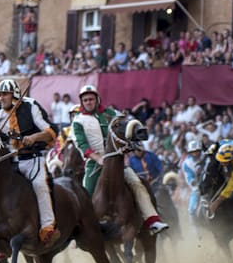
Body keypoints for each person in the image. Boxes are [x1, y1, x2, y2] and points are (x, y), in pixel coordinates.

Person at [70, 85, 169, 234]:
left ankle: (153, 220)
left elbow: (126, 128)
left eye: (91, 99)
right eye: (85, 100)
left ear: (97, 99)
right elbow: (81, 144)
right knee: (86, 192)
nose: (89, 102)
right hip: (94, 165)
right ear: (82, 102)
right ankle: (83, 231)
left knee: (137, 183)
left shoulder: (111, 113)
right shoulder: (78, 121)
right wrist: (97, 158)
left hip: (118, 161)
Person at [0, 79, 59, 243]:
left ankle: (47, 227)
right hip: (10, 161)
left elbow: (51, 131)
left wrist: (34, 137)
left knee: (39, 185)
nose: (1, 98)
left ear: (14, 94)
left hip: (32, 159)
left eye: (5, 94)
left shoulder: (30, 106)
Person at [181, 140, 204, 220]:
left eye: (197, 151)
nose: (195, 154)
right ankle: (195, 230)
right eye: (193, 152)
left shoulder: (206, 157)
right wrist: (193, 181)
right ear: (189, 152)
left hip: (211, 183)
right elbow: (189, 177)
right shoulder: (186, 163)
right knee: (191, 210)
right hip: (198, 186)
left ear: (200, 150)